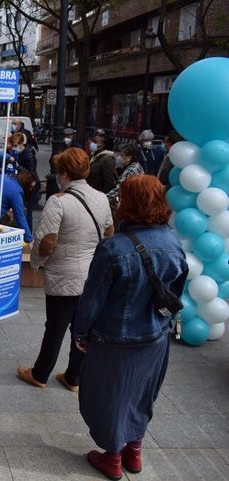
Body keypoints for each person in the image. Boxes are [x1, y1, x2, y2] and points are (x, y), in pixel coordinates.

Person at [74, 175, 188, 480]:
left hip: (115, 338)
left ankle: (112, 457)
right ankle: (134, 451)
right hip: (155, 337)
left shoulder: (113, 248)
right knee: (142, 394)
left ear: (127, 203)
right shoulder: (173, 243)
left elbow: (92, 298)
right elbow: (174, 293)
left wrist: (81, 333)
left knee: (108, 396)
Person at [16, 148, 113, 392]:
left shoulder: (58, 202)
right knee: (82, 329)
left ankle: (39, 374)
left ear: (65, 173)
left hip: (64, 275)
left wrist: (36, 263)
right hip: (91, 276)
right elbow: (109, 232)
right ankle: (74, 377)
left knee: (55, 328)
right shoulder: (101, 198)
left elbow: (47, 241)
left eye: (59, 172)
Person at [0, 171, 35, 243]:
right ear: (26, 185)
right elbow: (20, 216)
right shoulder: (16, 192)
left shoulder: (8, 178)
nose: (32, 190)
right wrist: (29, 240)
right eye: (31, 187)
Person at [11, 132, 39, 231]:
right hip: (22, 184)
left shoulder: (28, 154)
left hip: (29, 186)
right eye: (13, 146)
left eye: (16, 146)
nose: (14, 148)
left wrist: (18, 167)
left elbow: (31, 173)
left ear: (22, 144)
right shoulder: (19, 153)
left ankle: (27, 234)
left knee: (27, 212)